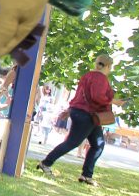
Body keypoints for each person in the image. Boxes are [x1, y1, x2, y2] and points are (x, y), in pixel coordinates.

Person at [37, 55, 126, 186]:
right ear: (108, 66)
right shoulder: (100, 78)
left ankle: (86, 175)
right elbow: (97, 97)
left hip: (85, 114)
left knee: (98, 144)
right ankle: (46, 163)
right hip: (88, 115)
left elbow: (79, 96)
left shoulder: (87, 76)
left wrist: (69, 110)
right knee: (73, 142)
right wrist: (114, 101)